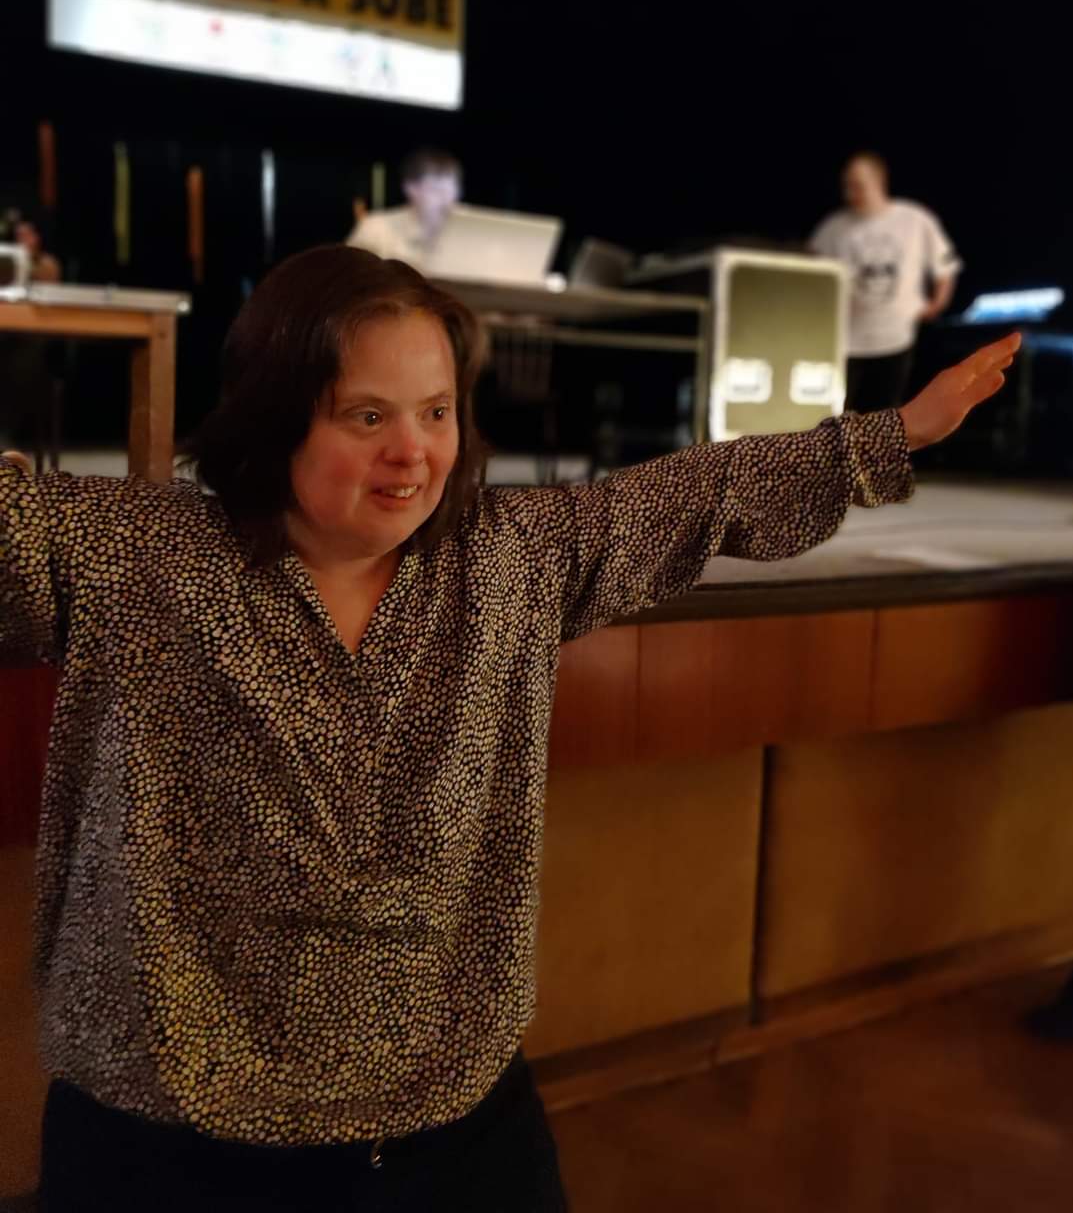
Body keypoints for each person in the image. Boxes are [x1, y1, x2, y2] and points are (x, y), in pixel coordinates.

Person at [1, 245, 1018, 1211]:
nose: (413, 453)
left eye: (437, 411)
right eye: (367, 416)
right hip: (166, 1126)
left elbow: (692, 497)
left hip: (445, 1115)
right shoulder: (136, 553)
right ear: (273, 415)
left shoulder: (504, 559)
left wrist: (893, 435)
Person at [809, 152, 962, 412]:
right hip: (846, 341)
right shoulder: (833, 228)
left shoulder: (914, 219)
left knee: (883, 415)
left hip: (895, 338)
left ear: (878, 181)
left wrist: (937, 303)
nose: (850, 193)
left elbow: (945, 266)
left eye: (858, 185)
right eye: (847, 186)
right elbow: (811, 271)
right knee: (835, 415)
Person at [0, 209, 62, 448]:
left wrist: (26, 259)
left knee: (25, 357)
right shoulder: (5, 258)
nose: (23, 239)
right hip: (5, 330)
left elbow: (47, 285)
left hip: (31, 335)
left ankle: (6, 431)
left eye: (28, 234)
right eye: (19, 235)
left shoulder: (47, 263)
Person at [347, 148, 462, 270]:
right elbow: (350, 274)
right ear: (410, 188)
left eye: (452, 191)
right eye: (437, 190)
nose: (447, 200)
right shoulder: (375, 228)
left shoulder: (466, 230)